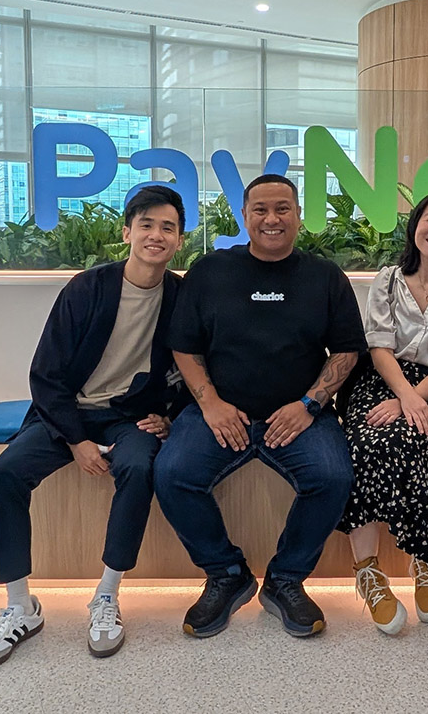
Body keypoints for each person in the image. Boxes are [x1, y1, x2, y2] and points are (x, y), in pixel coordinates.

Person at [0, 186, 186, 672]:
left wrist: (171, 415)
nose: (156, 235)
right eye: (146, 224)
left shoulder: (181, 297)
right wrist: (77, 440)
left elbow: (197, 366)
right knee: (4, 474)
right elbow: (46, 374)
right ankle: (19, 606)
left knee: (139, 469)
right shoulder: (87, 288)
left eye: (167, 227)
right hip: (67, 413)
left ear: (179, 240)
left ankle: (106, 595)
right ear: (127, 232)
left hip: (131, 415)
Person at [153, 174, 366, 639]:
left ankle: (286, 579)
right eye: (261, 210)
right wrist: (210, 404)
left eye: (283, 209)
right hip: (219, 411)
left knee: (333, 477)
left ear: (299, 216)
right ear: (245, 216)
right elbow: (184, 347)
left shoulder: (325, 277)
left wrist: (308, 405)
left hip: (298, 415)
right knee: (172, 474)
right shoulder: (210, 271)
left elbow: (347, 350)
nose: (272, 219)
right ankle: (226, 573)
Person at [338, 191, 428, 635]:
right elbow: (379, 347)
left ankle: (424, 558)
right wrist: (403, 396)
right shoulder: (386, 280)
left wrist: (413, 399)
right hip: (380, 381)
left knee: (416, 440)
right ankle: (367, 571)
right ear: (415, 226)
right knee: (364, 443)